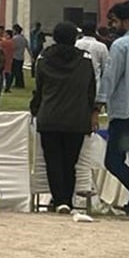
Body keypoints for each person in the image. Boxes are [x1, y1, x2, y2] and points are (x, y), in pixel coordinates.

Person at [31, 22, 97, 214]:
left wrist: (35, 109)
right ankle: (67, 198)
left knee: (53, 161)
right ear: (74, 39)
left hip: (50, 116)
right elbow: (90, 90)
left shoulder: (43, 59)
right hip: (77, 118)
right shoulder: (85, 60)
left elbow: (40, 89)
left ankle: (59, 200)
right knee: (70, 162)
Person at [98, 1, 129, 217]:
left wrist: (98, 103)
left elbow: (110, 78)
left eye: (115, 21)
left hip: (127, 113)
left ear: (126, 21)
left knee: (114, 160)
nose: (112, 26)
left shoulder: (121, 45)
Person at [76, 22, 110, 96]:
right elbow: (106, 68)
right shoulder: (101, 46)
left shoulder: (76, 44)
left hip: (77, 82)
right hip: (95, 83)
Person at [11, 24, 29, 88]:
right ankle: (19, 83)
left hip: (15, 56)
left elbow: (12, 47)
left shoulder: (14, 38)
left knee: (15, 71)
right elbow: (28, 47)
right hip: (21, 57)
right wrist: (31, 56)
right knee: (19, 71)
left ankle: (19, 84)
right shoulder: (24, 38)